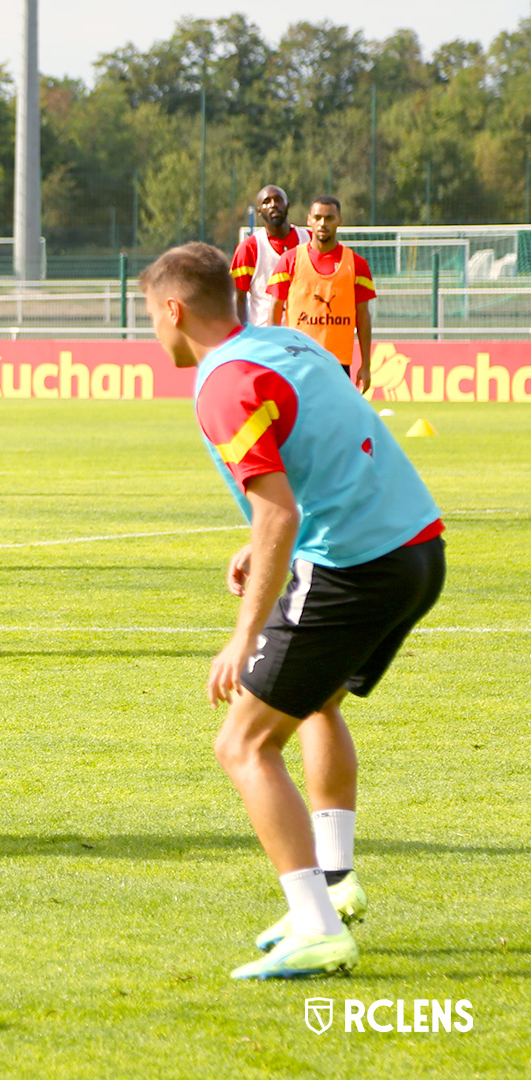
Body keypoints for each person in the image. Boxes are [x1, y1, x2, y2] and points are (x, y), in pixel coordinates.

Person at [142, 242, 445, 980]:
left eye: (150, 316)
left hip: (356, 567)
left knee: (242, 744)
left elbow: (276, 512)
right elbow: (328, 451)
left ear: (174, 311)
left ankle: (315, 926)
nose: (152, 331)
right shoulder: (280, 341)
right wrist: (267, 543)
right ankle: (334, 884)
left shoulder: (222, 382)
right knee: (312, 705)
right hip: (416, 547)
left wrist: (244, 636)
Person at [267, 197, 375, 391]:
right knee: (300, 420)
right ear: (309, 220)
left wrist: (366, 365)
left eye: (329, 218)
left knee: (336, 421)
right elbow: (275, 309)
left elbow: (363, 317)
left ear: (340, 221)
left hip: (337, 364)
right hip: (298, 362)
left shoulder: (357, 264)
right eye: (317, 217)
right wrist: (274, 354)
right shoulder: (289, 260)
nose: (323, 223)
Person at [228, 185, 307, 327]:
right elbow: (237, 297)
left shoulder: (309, 240)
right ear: (259, 211)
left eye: (278, 200)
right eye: (266, 202)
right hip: (265, 336)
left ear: (287, 205)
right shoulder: (249, 248)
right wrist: (244, 335)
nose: (273, 205)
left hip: (304, 334)